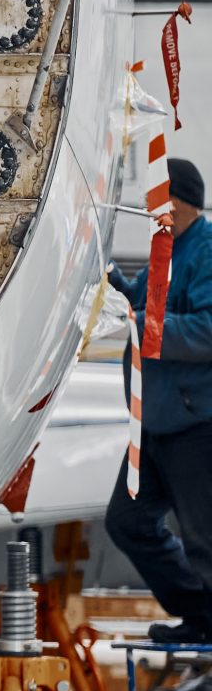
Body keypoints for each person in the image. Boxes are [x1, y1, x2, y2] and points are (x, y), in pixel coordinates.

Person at [104, 157, 212, 644]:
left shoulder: (206, 252)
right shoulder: (164, 249)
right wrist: (111, 285)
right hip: (155, 423)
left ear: (180, 203)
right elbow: (145, 305)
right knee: (126, 522)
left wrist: (150, 330)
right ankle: (201, 619)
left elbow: (207, 330)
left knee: (206, 541)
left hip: (197, 425)